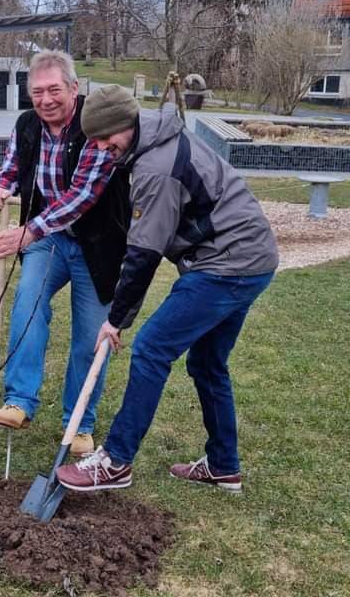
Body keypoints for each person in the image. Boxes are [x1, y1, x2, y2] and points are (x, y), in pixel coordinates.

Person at [56, 84, 278, 493]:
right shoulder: (156, 138)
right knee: (207, 364)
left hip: (227, 264)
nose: (103, 148)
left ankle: (116, 462)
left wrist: (116, 320)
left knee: (152, 348)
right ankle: (223, 465)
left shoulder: (155, 167)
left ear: (126, 124)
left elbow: (143, 254)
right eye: (96, 141)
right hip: (251, 259)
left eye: (106, 139)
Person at [0, 50, 130, 456]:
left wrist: (28, 231)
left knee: (89, 337)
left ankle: (79, 423)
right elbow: (12, 168)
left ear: (74, 89)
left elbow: (82, 195)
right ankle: (20, 401)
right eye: (37, 92)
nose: (45, 100)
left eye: (54, 90)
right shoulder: (27, 124)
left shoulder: (94, 125)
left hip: (97, 247)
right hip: (49, 239)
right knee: (28, 301)